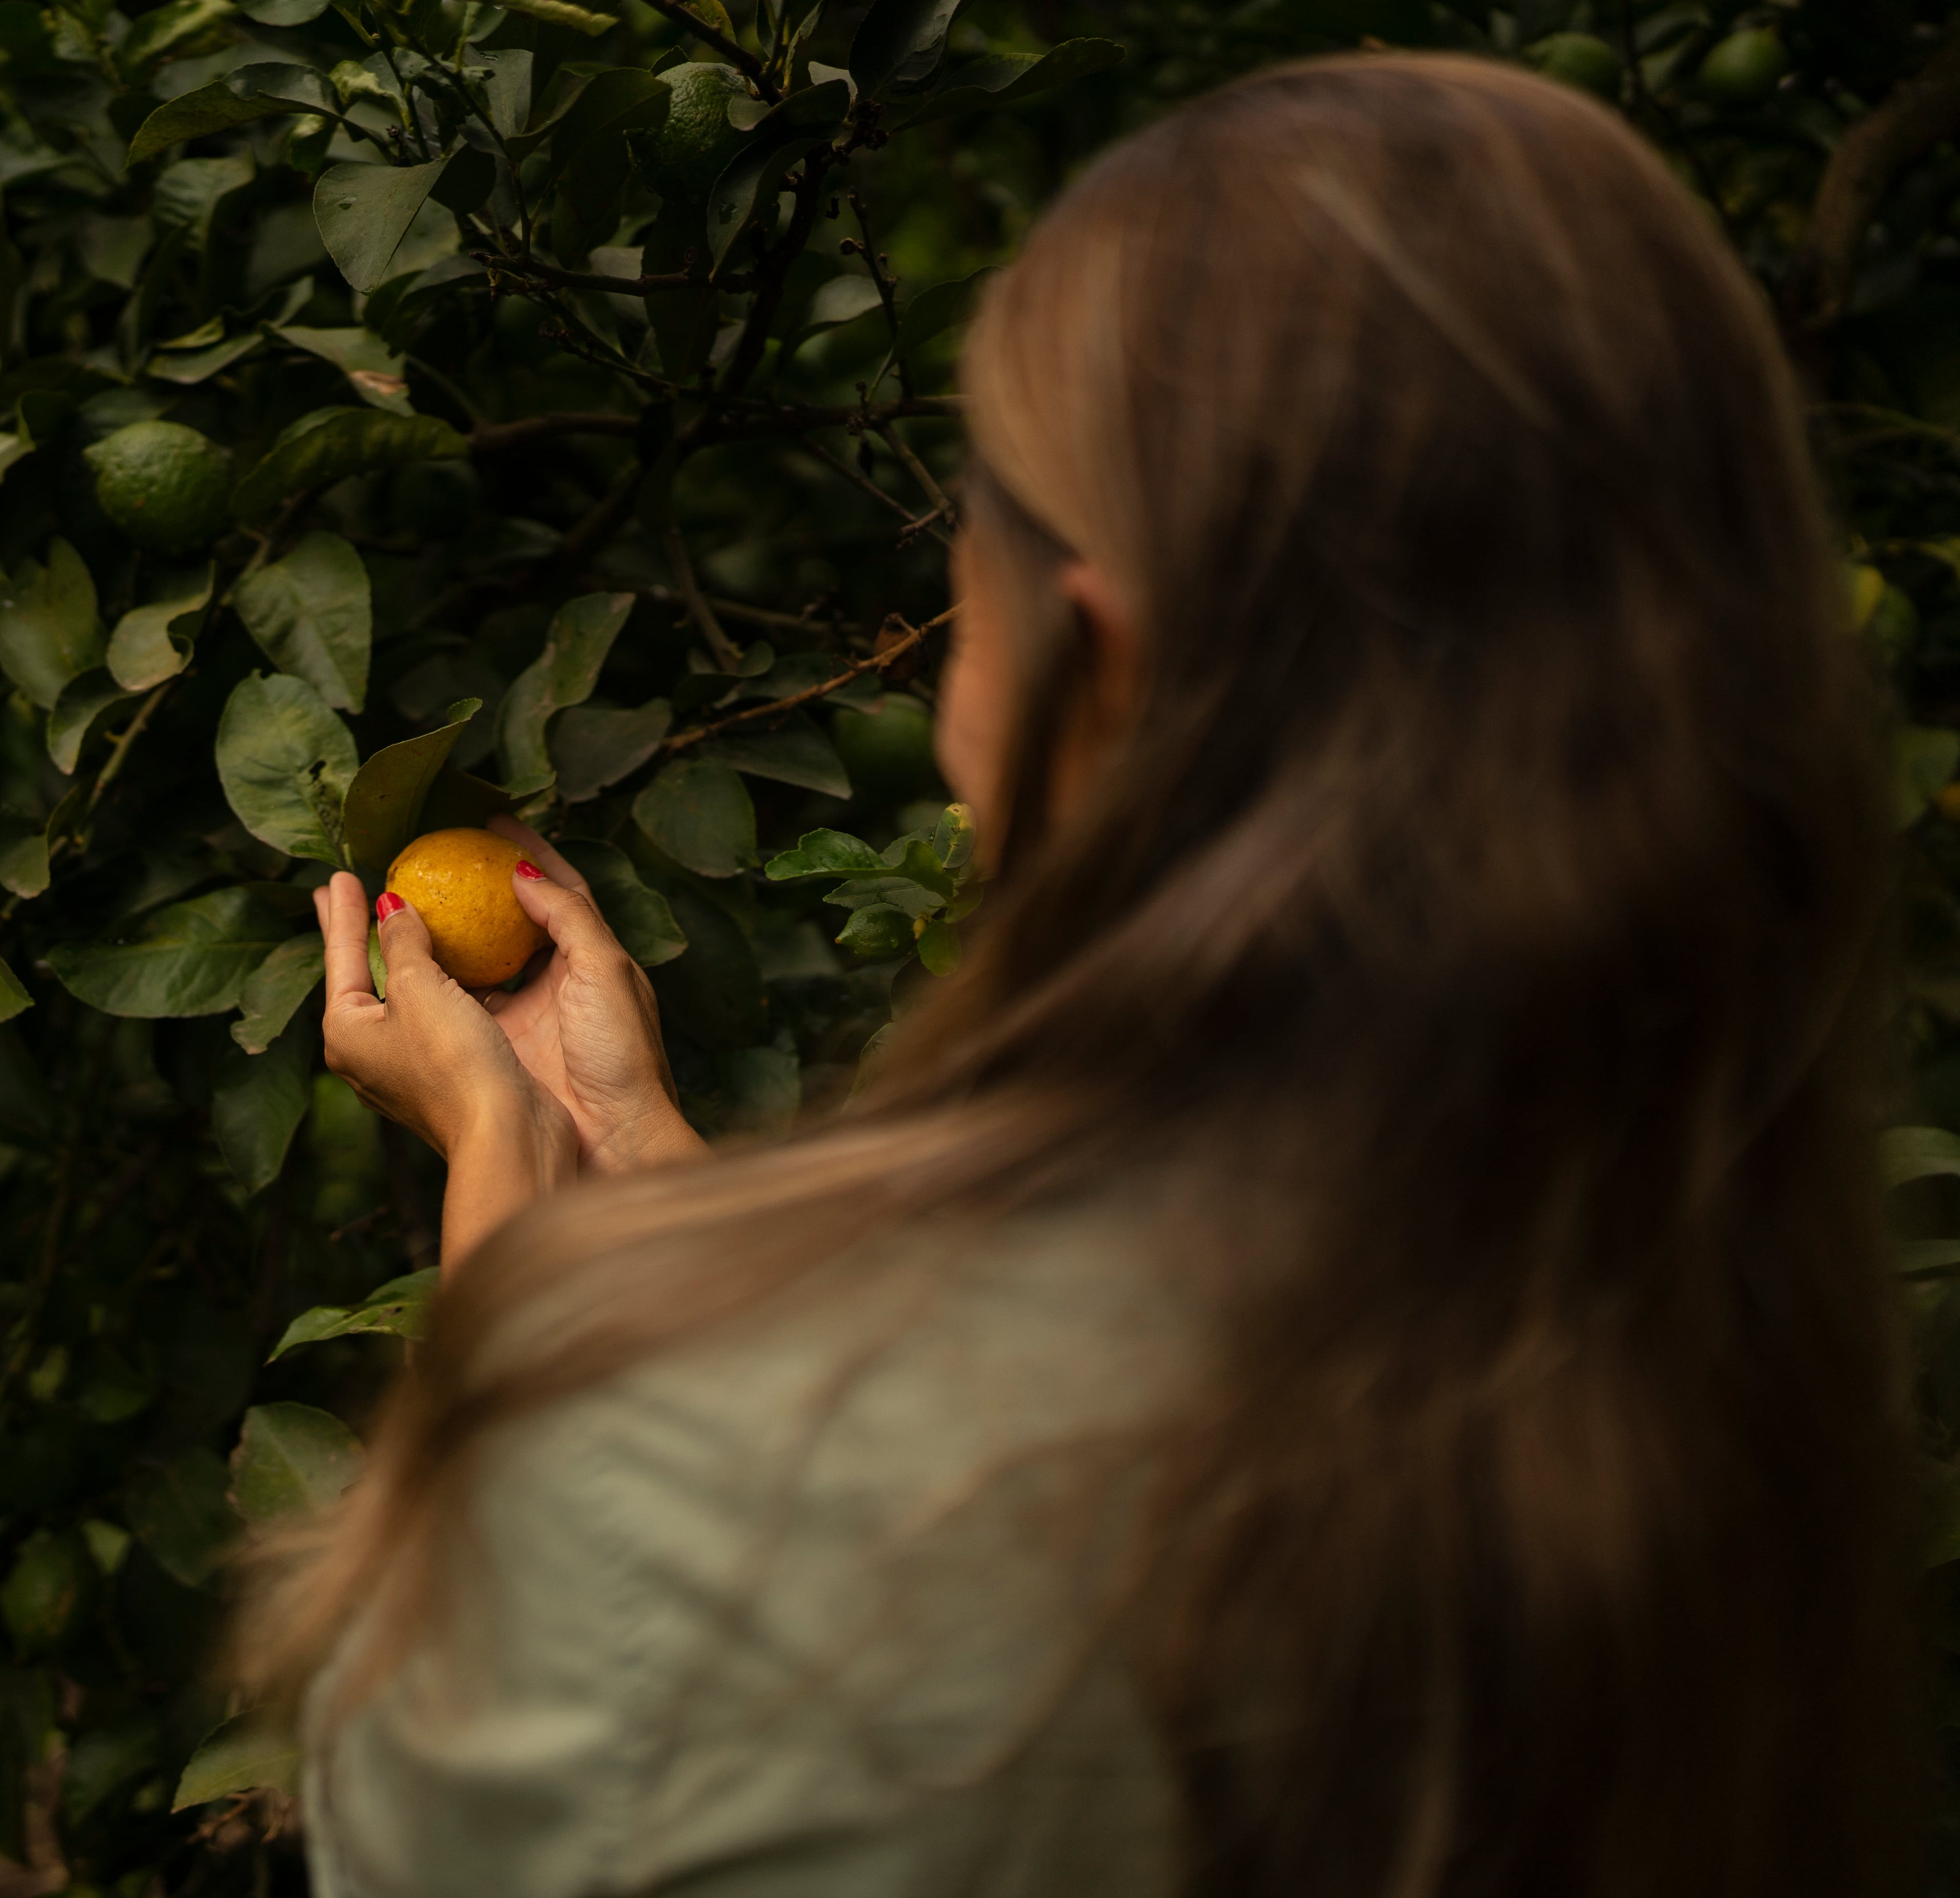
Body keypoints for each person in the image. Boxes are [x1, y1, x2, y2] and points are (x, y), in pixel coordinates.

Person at [252, 52, 1917, 1898]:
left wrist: (501, 1186)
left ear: (1105, 676)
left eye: (979, 551)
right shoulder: (1712, 1417)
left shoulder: (671, 1504)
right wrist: (622, 1141)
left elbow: (558, 1736)